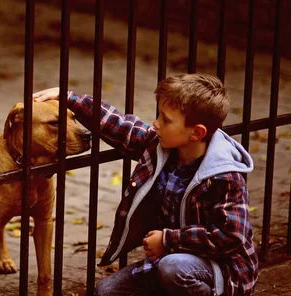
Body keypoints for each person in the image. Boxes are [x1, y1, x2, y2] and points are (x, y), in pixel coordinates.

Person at [33, 73, 258, 296]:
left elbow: (231, 237)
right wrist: (69, 99)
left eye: (166, 119)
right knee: (107, 291)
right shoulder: (161, 148)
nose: (156, 124)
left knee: (174, 269)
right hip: (172, 258)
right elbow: (120, 126)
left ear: (196, 133)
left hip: (222, 273)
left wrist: (169, 240)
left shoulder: (224, 177)